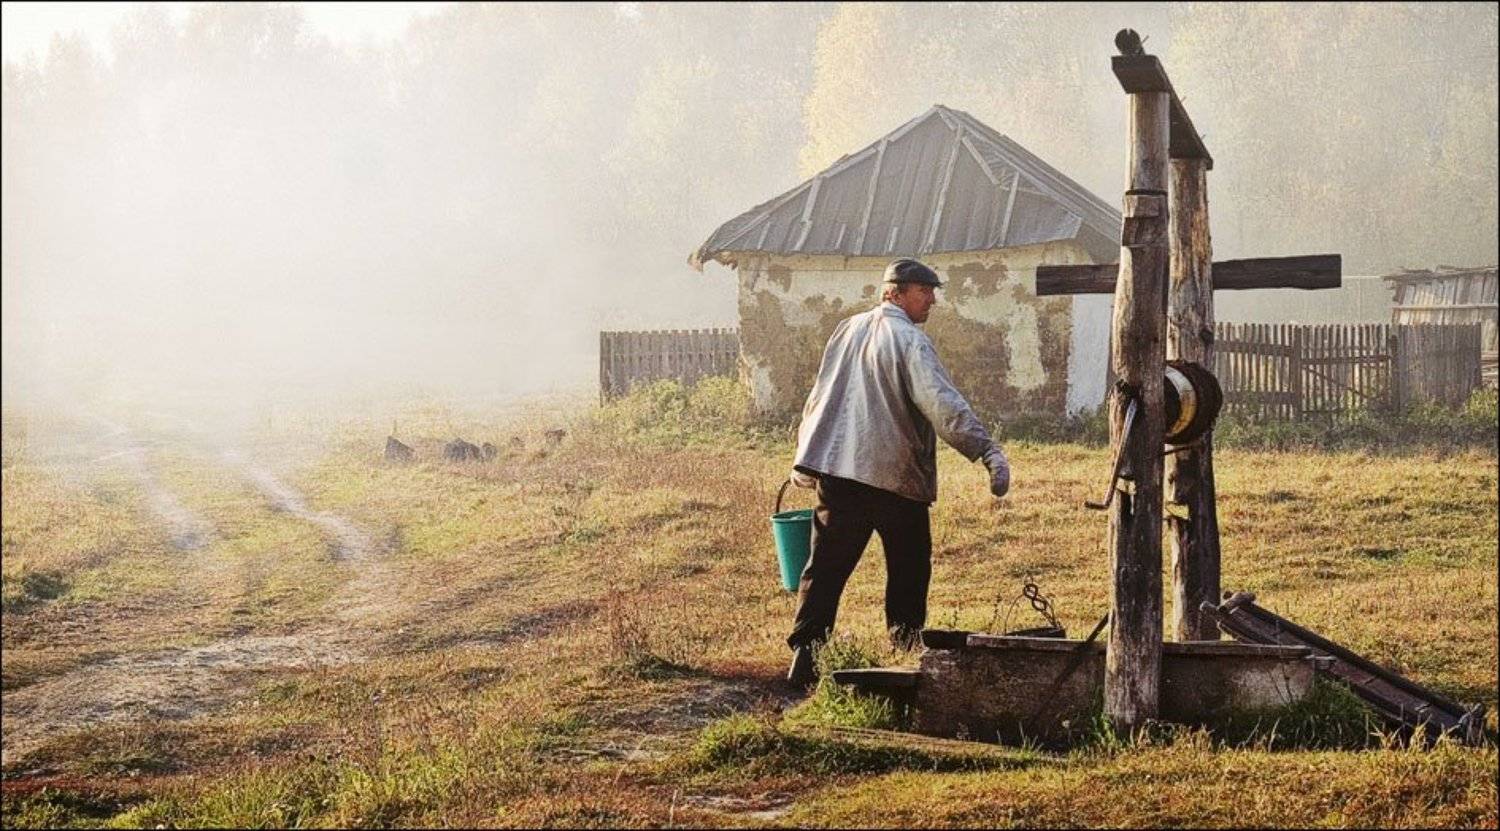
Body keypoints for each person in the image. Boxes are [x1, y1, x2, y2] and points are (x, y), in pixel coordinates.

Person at [784, 257, 1011, 686]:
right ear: (895, 293)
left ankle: (804, 657)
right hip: (894, 477)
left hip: (840, 473)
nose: (932, 301)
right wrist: (986, 451)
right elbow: (942, 405)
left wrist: (806, 457)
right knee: (909, 568)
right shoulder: (910, 340)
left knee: (825, 568)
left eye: (932, 292)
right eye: (924, 292)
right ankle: (906, 654)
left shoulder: (847, 328)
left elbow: (820, 395)